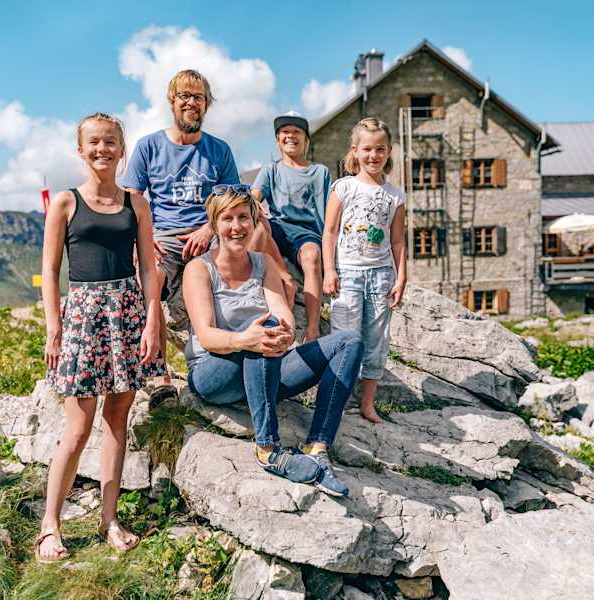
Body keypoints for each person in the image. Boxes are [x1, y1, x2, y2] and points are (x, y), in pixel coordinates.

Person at [183, 185, 364, 497]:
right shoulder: (199, 269)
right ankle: (268, 448)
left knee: (349, 342)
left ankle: (317, 446)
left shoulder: (263, 263)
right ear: (214, 226)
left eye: (243, 217)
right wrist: (245, 338)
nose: (236, 227)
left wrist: (285, 331)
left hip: (265, 369)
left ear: (255, 222)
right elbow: (207, 335)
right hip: (214, 374)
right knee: (261, 334)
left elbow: (283, 313)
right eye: (227, 219)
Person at [38, 113, 163, 562]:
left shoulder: (136, 203)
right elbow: (51, 272)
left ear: (122, 148)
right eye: (93, 143)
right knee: (78, 424)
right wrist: (55, 328)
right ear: (80, 149)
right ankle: (50, 525)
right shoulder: (66, 203)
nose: (102, 150)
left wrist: (152, 319)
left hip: (128, 312)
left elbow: (149, 267)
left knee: (117, 419)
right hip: (84, 316)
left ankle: (109, 519)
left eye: (110, 142)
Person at [121, 69, 244, 404]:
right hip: (164, 235)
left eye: (199, 97)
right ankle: (158, 372)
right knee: (148, 278)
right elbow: (132, 197)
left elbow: (230, 200)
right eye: (185, 96)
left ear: (206, 104)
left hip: (208, 234)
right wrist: (143, 238)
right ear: (172, 101)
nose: (192, 103)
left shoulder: (219, 150)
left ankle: (225, 363)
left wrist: (208, 229)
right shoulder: (149, 146)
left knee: (234, 266)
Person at [322, 118, 407, 423]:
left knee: (376, 340)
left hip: (381, 275)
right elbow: (329, 232)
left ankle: (367, 403)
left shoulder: (396, 195)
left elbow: (398, 240)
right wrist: (329, 270)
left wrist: (401, 277)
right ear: (355, 150)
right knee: (345, 338)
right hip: (348, 273)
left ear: (389, 151)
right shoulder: (343, 187)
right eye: (367, 149)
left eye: (380, 149)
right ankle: (338, 399)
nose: (373, 155)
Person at [252, 112, 330, 342]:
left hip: (306, 234)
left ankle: (312, 328)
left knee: (311, 256)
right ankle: (264, 292)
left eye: (297, 132)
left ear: (306, 139)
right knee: (256, 228)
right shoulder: (271, 170)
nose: (291, 136)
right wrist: (254, 203)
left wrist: (330, 257)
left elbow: (327, 216)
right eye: (285, 132)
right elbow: (254, 196)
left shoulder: (319, 172)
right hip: (277, 228)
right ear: (278, 139)